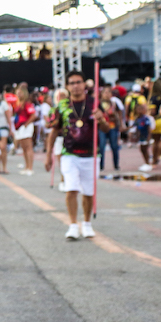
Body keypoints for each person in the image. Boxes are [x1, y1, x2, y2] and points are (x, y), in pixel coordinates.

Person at [45, 70, 109, 240]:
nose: (75, 86)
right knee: (71, 189)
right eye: (72, 83)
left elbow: (106, 129)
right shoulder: (62, 106)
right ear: (67, 86)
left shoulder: (94, 104)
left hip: (90, 155)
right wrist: (48, 155)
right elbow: (54, 131)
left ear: (84, 85)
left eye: (78, 82)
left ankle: (87, 224)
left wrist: (101, 119)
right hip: (69, 154)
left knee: (88, 192)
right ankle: (73, 225)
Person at [13, 83, 38, 176]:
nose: (18, 95)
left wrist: (26, 124)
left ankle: (30, 167)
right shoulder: (18, 104)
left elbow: (33, 115)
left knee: (28, 147)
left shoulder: (27, 104)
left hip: (25, 126)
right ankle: (26, 166)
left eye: (20, 93)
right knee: (23, 148)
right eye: (17, 93)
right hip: (19, 127)